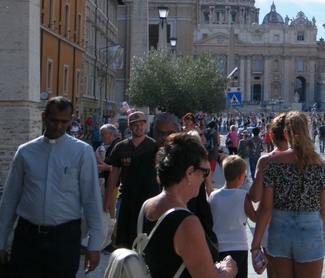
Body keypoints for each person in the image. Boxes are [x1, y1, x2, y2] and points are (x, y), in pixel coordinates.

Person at [0, 96, 104, 277]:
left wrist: (94, 245)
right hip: (27, 237)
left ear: (71, 120)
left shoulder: (81, 152)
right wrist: (1, 241)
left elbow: (91, 200)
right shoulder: (25, 152)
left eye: (64, 121)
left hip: (64, 239)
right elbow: (10, 198)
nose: (58, 126)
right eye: (54, 120)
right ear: (44, 117)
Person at [141, 133, 237, 278]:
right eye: (205, 173)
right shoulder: (186, 222)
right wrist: (228, 271)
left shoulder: (147, 205)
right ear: (190, 173)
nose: (206, 179)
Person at [250, 111, 325, 278]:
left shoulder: (273, 164)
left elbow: (265, 208)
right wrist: (322, 237)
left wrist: (256, 244)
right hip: (310, 228)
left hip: (279, 228)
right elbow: (324, 211)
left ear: (286, 134)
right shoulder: (320, 166)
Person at [103, 110, 158, 248]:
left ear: (146, 125)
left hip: (148, 197)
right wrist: (108, 198)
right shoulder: (121, 147)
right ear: (129, 127)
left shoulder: (153, 147)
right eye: (135, 125)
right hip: (125, 195)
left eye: (141, 124)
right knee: (123, 234)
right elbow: (115, 172)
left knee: (146, 234)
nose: (138, 127)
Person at [248, 114, 291, 278]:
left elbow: (256, 197)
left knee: (274, 272)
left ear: (271, 136)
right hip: (299, 223)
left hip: (273, 223)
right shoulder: (306, 159)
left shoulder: (266, 160)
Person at [210, 155, 257, 278]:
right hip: (239, 246)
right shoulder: (243, 196)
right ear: (240, 177)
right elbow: (254, 217)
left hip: (219, 246)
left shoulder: (213, 196)